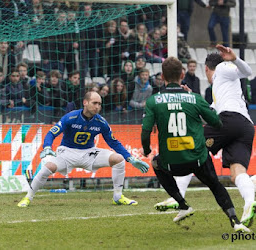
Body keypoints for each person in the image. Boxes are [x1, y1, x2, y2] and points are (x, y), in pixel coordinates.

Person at [141, 56, 249, 232]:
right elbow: (217, 123)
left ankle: (182, 204)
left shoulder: (154, 101)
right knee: (215, 184)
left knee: (155, 162)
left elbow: (145, 133)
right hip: (197, 159)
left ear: (162, 76)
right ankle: (235, 221)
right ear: (182, 75)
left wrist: (146, 150)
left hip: (171, 163)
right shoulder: (195, 98)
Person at [17, 91, 149, 207]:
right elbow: (52, 133)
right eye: (94, 103)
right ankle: (28, 197)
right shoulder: (70, 117)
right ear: (85, 102)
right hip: (67, 153)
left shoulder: (101, 122)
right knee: (48, 167)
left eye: (99, 104)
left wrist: (130, 158)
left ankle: (118, 197)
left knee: (118, 159)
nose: (97, 107)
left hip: (88, 153)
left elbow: (113, 142)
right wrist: (47, 147)